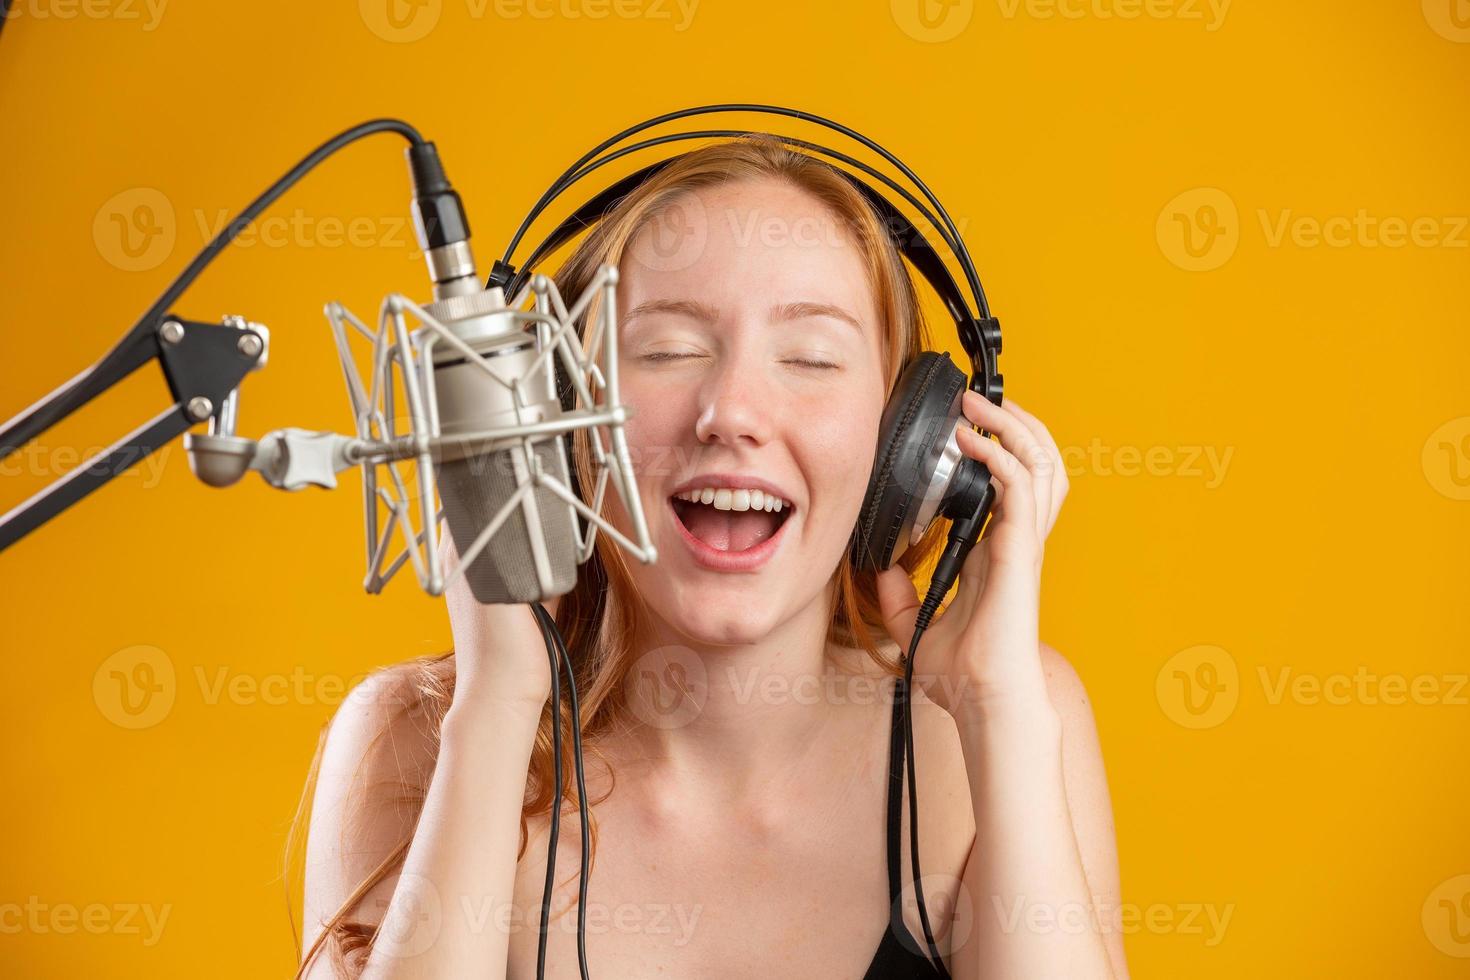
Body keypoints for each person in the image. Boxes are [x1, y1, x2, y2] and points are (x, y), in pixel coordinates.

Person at [293, 134, 1128, 979]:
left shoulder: (999, 723)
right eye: (668, 350)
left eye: (811, 357)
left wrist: (999, 714)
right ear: (548, 423)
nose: (731, 411)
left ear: (908, 445)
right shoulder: (414, 741)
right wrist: (499, 706)